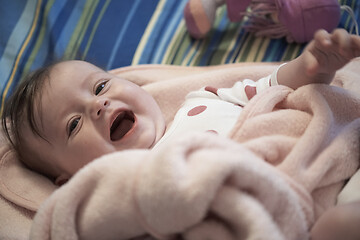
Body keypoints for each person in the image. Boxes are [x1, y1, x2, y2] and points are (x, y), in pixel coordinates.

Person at [2, 28, 360, 239]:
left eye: (99, 87)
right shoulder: (130, 188)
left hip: (317, 173)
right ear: (71, 178)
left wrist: (312, 66)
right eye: (73, 124)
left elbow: (274, 85)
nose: (97, 105)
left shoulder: (200, 101)